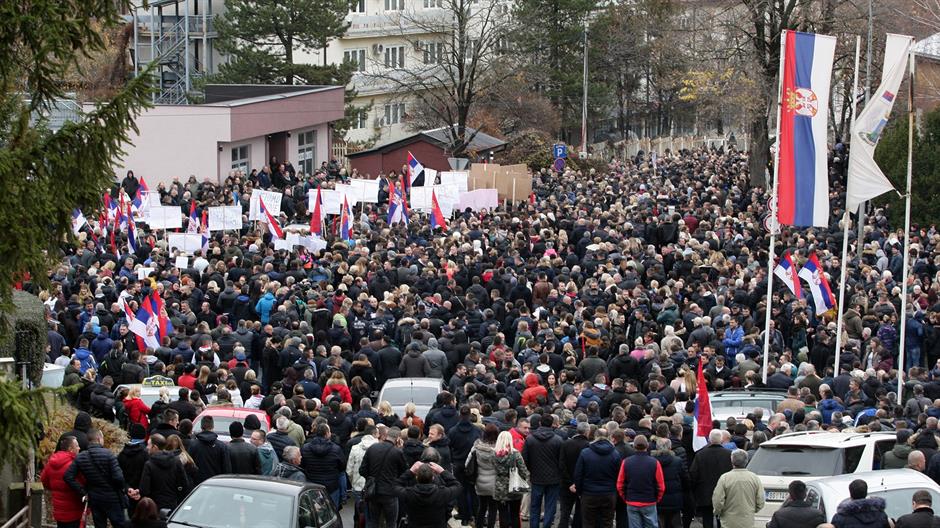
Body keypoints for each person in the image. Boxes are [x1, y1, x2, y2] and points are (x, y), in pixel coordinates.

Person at [64, 429, 130, 528]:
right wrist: (121, 489)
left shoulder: (81, 457)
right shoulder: (109, 454)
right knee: (119, 524)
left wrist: (83, 491)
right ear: (99, 439)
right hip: (112, 498)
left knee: (99, 525)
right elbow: (119, 478)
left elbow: (68, 476)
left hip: (95, 498)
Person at [572, 427, 621, 528]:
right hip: (608, 493)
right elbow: (619, 475)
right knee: (607, 522)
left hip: (589, 493)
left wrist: (580, 491)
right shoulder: (615, 454)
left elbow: (578, 474)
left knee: (588, 523)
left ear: (595, 436)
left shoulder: (585, 453)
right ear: (608, 437)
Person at [361, 423, 407, 528]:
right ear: (398, 438)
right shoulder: (397, 452)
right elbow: (404, 472)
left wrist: (371, 478)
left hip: (373, 491)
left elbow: (362, 470)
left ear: (386, 436)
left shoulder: (372, 448)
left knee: (373, 521)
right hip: (390, 492)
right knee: (391, 523)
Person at [392, 461, 462, 528]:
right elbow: (457, 486)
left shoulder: (409, 493)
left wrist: (410, 471)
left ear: (416, 477)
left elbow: (394, 487)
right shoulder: (442, 493)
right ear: (433, 477)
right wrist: (442, 471)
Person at [523, 413, 564, 528]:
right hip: (553, 479)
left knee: (535, 506)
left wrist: (531, 470)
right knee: (550, 506)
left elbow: (524, 458)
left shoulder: (530, 439)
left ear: (540, 423)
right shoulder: (558, 440)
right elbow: (561, 461)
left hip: (536, 478)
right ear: (552, 424)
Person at [617, 434, 664, 528]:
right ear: (647, 446)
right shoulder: (655, 462)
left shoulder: (626, 462)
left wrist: (625, 497)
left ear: (634, 446)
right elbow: (661, 486)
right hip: (649, 500)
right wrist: (657, 498)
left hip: (632, 500)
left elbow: (620, 484)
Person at [690, 429, 733, 528]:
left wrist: (695, 491)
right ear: (721, 439)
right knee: (722, 519)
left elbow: (693, 474)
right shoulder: (729, 454)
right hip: (724, 492)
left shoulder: (700, 454)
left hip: (705, 492)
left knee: (707, 519)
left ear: (709, 439)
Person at [138, 433, 192, 512]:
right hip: (172, 504)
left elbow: (144, 490)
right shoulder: (176, 461)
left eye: (148, 445)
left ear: (155, 447)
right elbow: (184, 484)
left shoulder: (149, 464)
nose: (147, 448)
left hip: (154, 506)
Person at [711, 449, 764, 528]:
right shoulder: (754, 478)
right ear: (746, 461)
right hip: (747, 520)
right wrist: (752, 510)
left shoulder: (725, 478)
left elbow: (718, 499)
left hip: (728, 521)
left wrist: (717, 512)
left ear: (732, 461)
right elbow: (760, 500)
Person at [41, 436, 84, 528]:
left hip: (59, 510)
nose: (79, 448)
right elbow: (82, 483)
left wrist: (55, 488)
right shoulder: (75, 465)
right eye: (77, 446)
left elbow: (44, 480)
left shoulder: (51, 462)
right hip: (74, 510)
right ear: (70, 449)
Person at [300, 423, 345, 507]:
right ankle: (343, 497)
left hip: (312, 484)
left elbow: (302, 465)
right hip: (331, 486)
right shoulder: (336, 449)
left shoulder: (305, 448)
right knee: (333, 510)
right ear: (327, 433)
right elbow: (342, 467)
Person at [494, 430, 530, 528]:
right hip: (514, 486)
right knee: (514, 514)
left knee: (502, 514)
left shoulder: (493, 454)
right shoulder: (515, 454)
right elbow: (523, 471)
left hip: (499, 487)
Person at [468, 424, 500, 528]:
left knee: (482, 507)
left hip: (480, 481)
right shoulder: (499, 449)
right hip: (494, 483)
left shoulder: (476, 447)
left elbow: (467, 463)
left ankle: (479, 525)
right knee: (493, 508)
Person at [186, 415, 231, 484]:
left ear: (201, 427)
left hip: (197, 486)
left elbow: (188, 467)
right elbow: (227, 469)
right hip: (216, 484)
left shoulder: (193, 445)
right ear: (212, 427)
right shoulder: (222, 446)